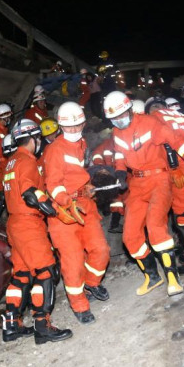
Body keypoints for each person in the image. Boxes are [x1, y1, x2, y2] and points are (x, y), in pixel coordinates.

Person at [103, 91, 184, 297]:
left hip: (159, 180)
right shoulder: (117, 133)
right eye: (113, 119)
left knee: (155, 226)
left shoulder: (150, 123)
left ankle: (173, 277)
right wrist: (119, 172)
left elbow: (178, 141)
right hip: (136, 184)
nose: (118, 122)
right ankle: (152, 277)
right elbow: (119, 155)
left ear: (129, 110)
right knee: (130, 236)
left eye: (121, 116)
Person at [1, 118, 73, 344]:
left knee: (21, 275)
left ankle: (11, 325)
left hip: (14, 224)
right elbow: (30, 192)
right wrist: (52, 209)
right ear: (33, 139)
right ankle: (43, 325)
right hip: (28, 223)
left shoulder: (11, 162)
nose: (39, 142)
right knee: (45, 272)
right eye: (38, 139)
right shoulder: (27, 161)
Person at [43, 102, 111, 324]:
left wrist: (88, 185)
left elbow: (78, 173)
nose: (72, 130)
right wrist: (65, 201)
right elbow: (53, 183)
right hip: (63, 212)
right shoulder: (54, 150)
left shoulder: (82, 143)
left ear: (82, 123)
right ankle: (79, 304)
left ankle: (92, 283)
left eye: (76, 126)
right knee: (72, 261)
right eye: (68, 127)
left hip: (84, 204)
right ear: (61, 126)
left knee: (100, 249)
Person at [147, 98, 184, 275]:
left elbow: (166, 144)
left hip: (181, 171)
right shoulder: (181, 116)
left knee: (183, 216)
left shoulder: (155, 118)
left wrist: (173, 167)